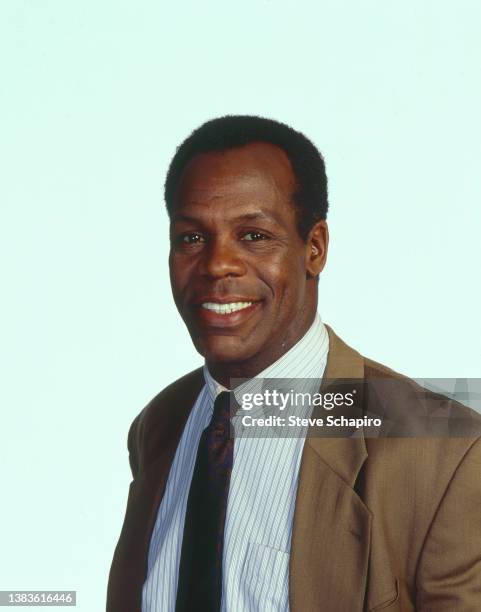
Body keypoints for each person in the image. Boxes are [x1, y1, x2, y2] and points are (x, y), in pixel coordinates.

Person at [107, 116, 481, 612]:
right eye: (191, 238)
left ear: (315, 248)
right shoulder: (159, 426)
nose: (218, 264)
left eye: (254, 236)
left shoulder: (444, 453)